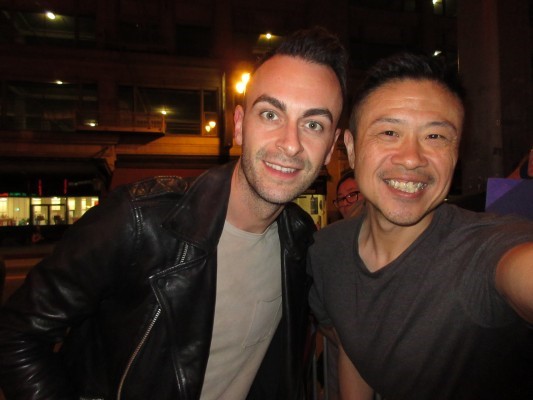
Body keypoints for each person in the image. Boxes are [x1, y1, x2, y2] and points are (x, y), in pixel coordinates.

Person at [0, 26, 347, 400]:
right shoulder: (138, 221)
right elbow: (16, 336)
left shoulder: (300, 242)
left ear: (330, 148)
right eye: (270, 114)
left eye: (313, 124)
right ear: (240, 126)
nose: (290, 144)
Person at [307, 52, 533, 400]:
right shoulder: (326, 252)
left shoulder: (483, 250)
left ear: (456, 153)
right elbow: (355, 344)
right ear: (351, 148)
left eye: (436, 137)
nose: (412, 158)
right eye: (389, 132)